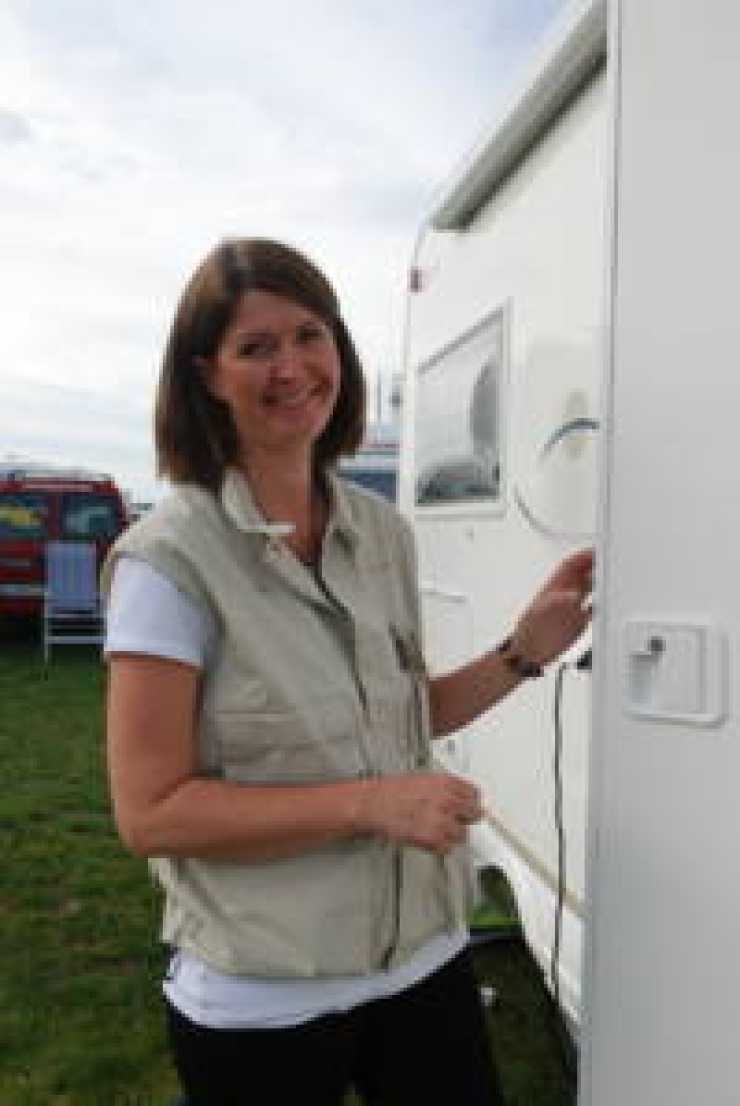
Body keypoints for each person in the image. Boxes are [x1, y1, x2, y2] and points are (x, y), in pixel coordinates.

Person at [103, 237, 592, 1106]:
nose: (292, 368)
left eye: (309, 335)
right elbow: (151, 813)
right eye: (256, 347)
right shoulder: (167, 560)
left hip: (423, 957)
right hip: (265, 992)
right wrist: (371, 804)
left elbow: (403, 716)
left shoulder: (382, 533)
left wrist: (523, 651)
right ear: (207, 375)